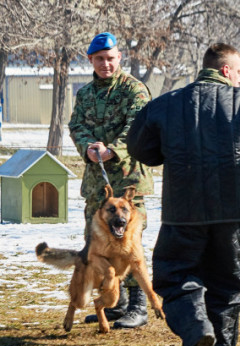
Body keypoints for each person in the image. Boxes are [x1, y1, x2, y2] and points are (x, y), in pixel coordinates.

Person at [127, 43, 240, 346]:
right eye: (239, 71)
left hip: (182, 211)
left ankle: (197, 329)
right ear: (226, 70)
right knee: (227, 283)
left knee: (175, 275)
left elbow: (140, 147)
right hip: (236, 211)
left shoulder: (165, 104)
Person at [69, 32, 153, 329]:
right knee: (99, 245)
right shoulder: (85, 94)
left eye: (111, 58)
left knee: (130, 246)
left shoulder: (134, 89)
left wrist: (111, 150)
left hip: (128, 180)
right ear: (90, 60)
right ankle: (112, 304)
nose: (106, 64)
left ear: (120, 58)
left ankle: (138, 307)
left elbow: (137, 126)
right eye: (100, 59)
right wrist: (88, 148)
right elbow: (75, 125)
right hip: (97, 185)